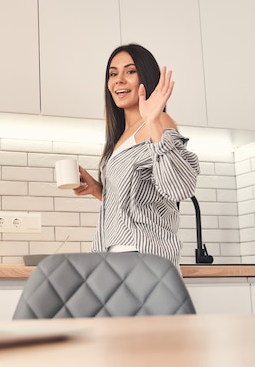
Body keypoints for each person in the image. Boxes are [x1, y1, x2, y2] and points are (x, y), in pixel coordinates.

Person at [73, 43, 199, 267]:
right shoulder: (121, 137)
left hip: (143, 255)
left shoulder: (159, 123)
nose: (119, 80)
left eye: (130, 71)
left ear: (145, 78)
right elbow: (136, 203)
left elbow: (180, 188)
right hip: (115, 254)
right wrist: (97, 189)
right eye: (113, 74)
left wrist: (153, 121)